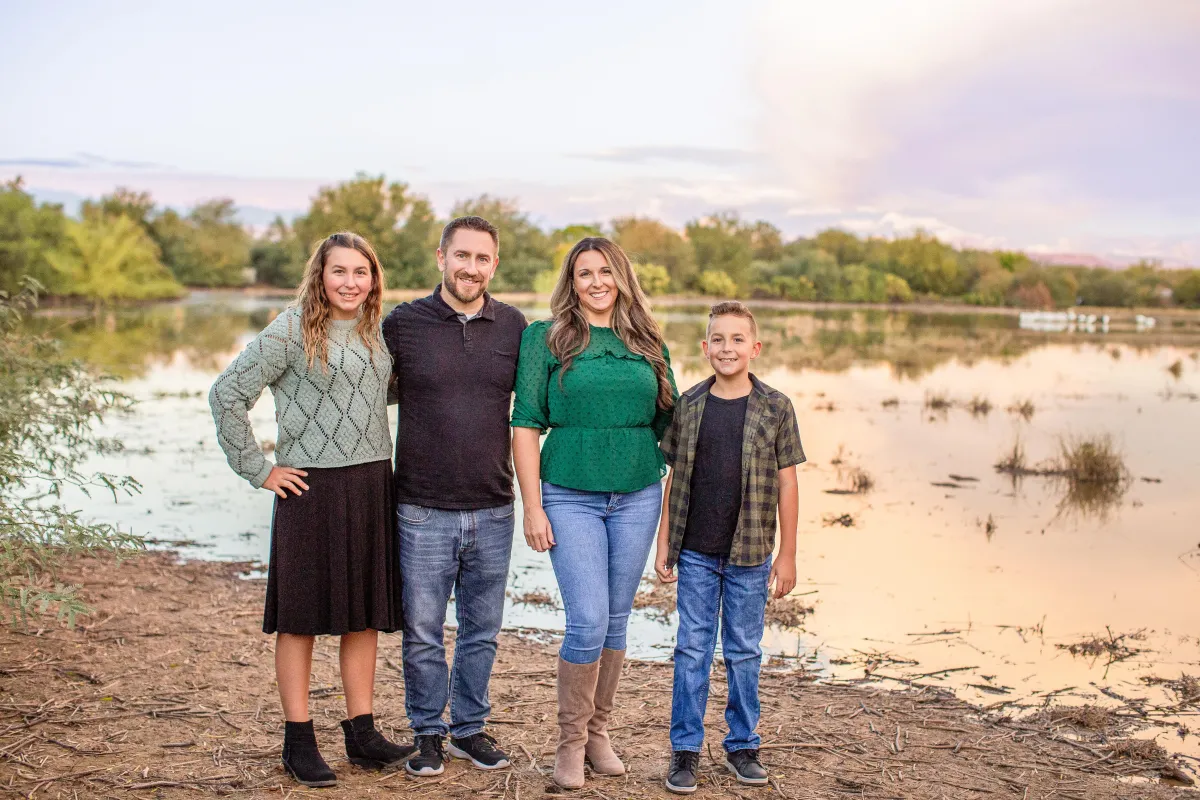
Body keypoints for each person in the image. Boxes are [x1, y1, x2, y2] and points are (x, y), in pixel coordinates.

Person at [209, 232, 410, 788]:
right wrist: (259, 469)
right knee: (301, 619)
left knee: (364, 614)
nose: (350, 282)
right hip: (309, 490)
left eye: (361, 272)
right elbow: (226, 394)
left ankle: (362, 732)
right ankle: (298, 739)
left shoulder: (378, 328)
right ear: (320, 275)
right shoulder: (291, 327)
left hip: (372, 481)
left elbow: (375, 392)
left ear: (374, 278)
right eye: (339, 271)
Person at [511, 237, 677, 789]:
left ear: (621, 277)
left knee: (617, 620)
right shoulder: (546, 338)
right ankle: (570, 742)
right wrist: (532, 507)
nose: (597, 282)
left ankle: (599, 732)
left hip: (637, 494)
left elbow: (671, 427)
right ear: (572, 281)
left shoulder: (648, 341)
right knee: (587, 620)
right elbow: (527, 423)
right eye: (585, 273)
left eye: (606, 271)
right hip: (569, 492)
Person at [382, 216, 528, 777]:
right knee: (421, 631)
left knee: (480, 630)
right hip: (420, 507)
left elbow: (537, 410)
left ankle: (468, 729)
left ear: (495, 264)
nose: (471, 268)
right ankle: (427, 734)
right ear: (440, 256)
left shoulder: (515, 326)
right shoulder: (403, 324)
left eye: (482, 259)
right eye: (461, 255)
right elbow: (361, 384)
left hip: (494, 504)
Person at [653, 301, 805, 795]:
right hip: (696, 551)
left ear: (754, 348)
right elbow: (673, 479)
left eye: (737, 339)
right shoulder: (690, 404)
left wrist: (788, 554)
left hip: (751, 554)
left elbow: (787, 483)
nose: (727, 348)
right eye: (718, 339)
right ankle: (686, 750)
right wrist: (664, 545)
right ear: (705, 347)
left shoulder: (777, 407)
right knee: (691, 651)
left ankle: (742, 745)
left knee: (743, 652)